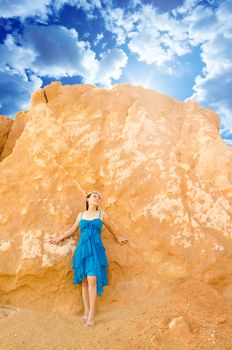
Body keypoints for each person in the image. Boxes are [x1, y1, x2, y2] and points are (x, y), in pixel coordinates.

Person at [48, 190, 128, 327]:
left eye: (99, 197)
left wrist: (117, 237)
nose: (97, 198)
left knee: (93, 279)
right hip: (82, 250)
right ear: (88, 198)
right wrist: (59, 238)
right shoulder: (81, 215)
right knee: (84, 282)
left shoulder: (102, 214)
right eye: (94, 196)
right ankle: (86, 311)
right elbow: (72, 230)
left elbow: (111, 228)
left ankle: (91, 315)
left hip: (96, 251)